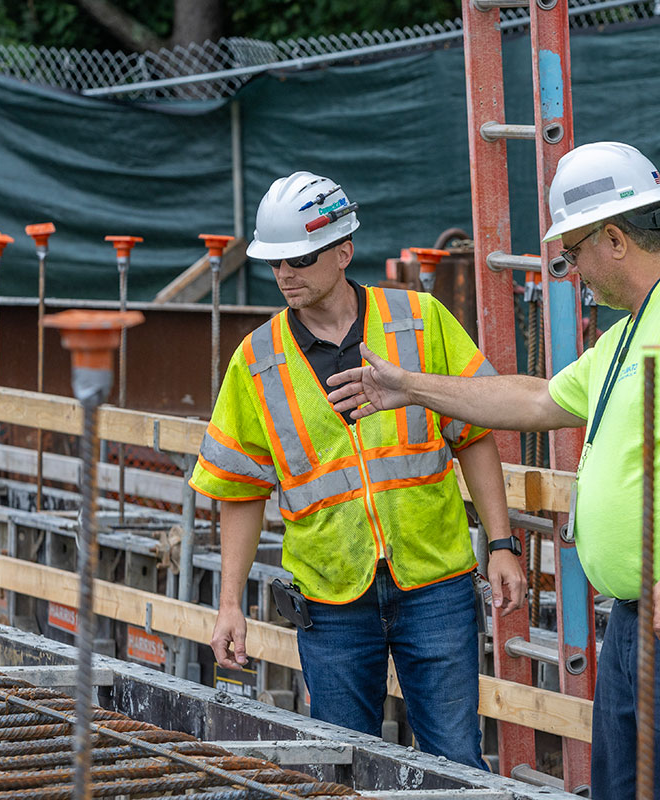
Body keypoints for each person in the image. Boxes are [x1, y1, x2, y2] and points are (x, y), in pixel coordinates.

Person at [326, 143, 660, 799]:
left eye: (572, 255)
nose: (571, 273)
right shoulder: (629, 334)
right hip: (641, 615)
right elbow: (535, 399)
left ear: (615, 238)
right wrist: (412, 388)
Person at [190, 171, 526, 769]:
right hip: (330, 597)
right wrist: (230, 604)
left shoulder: (420, 321)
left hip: (435, 584)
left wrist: (501, 543)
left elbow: (474, 433)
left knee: (456, 762)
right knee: (343, 767)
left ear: (344, 250)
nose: (286, 274)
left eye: (302, 257)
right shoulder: (257, 360)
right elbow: (238, 489)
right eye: (276, 262)